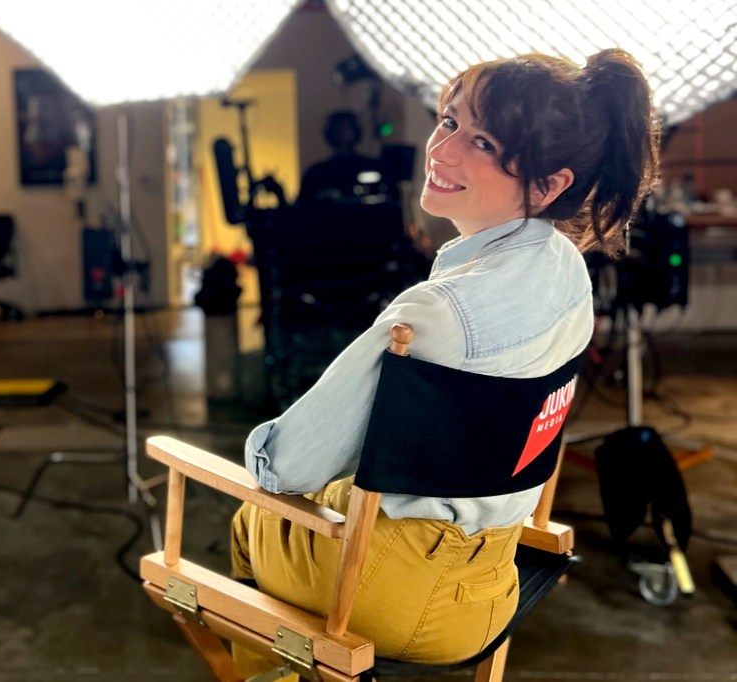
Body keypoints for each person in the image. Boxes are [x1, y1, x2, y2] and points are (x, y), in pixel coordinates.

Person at [231, 48, 659, 671]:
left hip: (382, 594)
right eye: (450, 121)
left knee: (254, 514)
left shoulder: (433, 315)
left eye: (483, 143)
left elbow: (286, 465)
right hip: (491, 582)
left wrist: (264, 457)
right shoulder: (570, 276)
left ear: (549, 184)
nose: (443, 150)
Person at [297, 110, 383, 205]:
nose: (343, 135)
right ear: (330, 134)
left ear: (356, 132)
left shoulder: (372, 166)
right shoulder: (317, 172)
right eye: (338, 130)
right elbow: (304, 205)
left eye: (347, 130)